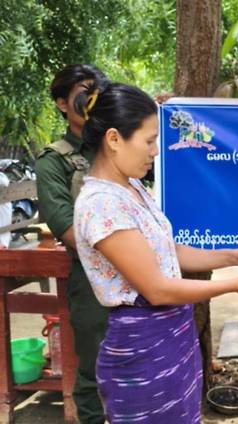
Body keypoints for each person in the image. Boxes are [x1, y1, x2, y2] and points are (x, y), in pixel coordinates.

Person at [72, 80, 238, 423]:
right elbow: (157, 288)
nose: (155, 151)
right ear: (114, 139)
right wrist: (235, 284)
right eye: (149, 140)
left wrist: (234, 255)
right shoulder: (102, 204)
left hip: (172, 338)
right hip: (142, 350)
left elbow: (168, 252)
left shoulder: (132, 188)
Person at [34, 64, 110, 424]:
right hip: (92, 277)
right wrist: (121, 256)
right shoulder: (54, 159)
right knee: (94, 365)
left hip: (140, 273)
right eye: (83, 92)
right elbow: (64, 224)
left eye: (97, 91)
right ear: (63, 103)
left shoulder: (116, 144)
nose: (91, 99)